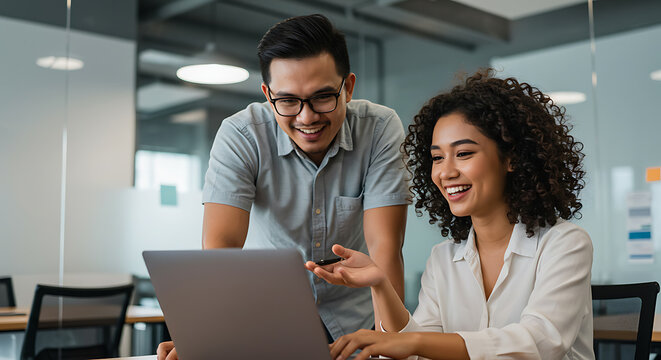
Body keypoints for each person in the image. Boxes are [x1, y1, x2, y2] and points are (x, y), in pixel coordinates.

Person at [157, 14, 410, 360]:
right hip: (265, 322)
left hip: (357, 324)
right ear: (267, 93)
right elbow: (221, 246)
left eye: (323, 97)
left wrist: (390, 346)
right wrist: (208, 334)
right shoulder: (242, 135)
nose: (307, 118)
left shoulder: (379, 129)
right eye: (288, 101)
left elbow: (385, 247)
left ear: (348, 87)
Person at [307, 69, 594, 360]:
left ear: (512, 158)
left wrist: (417, 343)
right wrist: (380, 284)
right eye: (437, 157)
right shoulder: (443, 259)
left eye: (464, 153)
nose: (446, 172)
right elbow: (416, 353)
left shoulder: (565, 243)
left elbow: (540, 342)